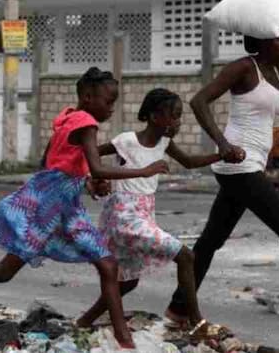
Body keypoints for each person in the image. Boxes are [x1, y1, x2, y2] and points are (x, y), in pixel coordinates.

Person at [0, 67, 169, 349]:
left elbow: (55, 164)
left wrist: (86, 184)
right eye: (108, 101)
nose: (111, 108)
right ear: (88, 97)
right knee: (98, 265)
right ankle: (124, 341)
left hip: (57, 207)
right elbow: (96, 166)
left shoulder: (67, 117)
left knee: (22, 270)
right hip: (51, 211)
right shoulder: (86, 122)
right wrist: (144, 170)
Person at [165, 6, 279, 336]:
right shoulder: (243, 68)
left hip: (246, 165)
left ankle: (178, 309)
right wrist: (222, 143)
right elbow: (199, 101)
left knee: (210, 241)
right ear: (262, 40)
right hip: (239, 164)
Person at [76, 88, 227, 339]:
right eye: (174, 116)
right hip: (123, 216)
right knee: (185, 256)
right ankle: (196, 323)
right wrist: (90, 180)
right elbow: (89, 155)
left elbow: (189, 162)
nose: (178, 122)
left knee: (128, 282)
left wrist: (221, 155)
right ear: (155, 117)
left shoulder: (165, 142)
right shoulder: (126, 141)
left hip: (144, 214)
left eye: (179, 116)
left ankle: (84, 321)